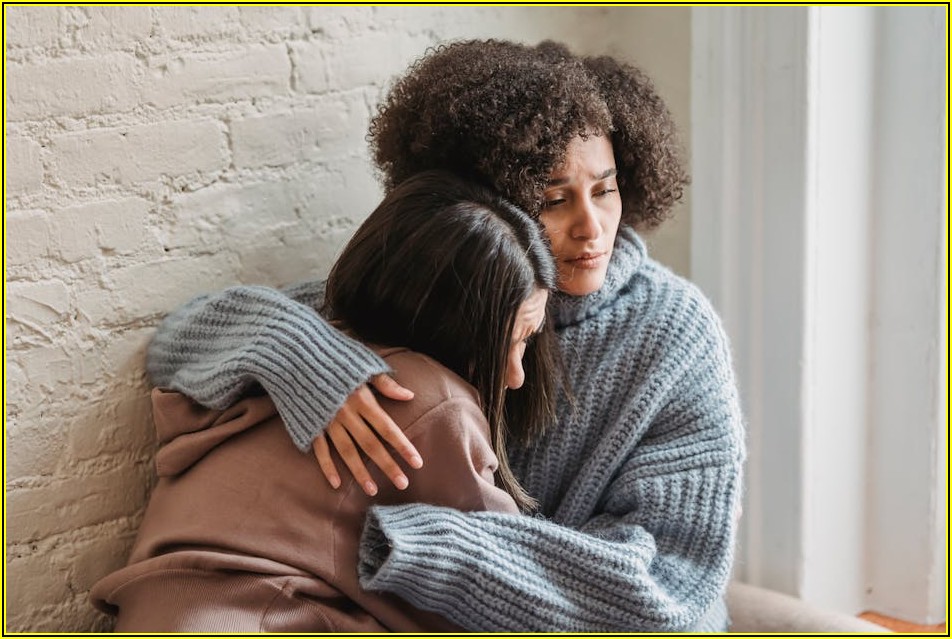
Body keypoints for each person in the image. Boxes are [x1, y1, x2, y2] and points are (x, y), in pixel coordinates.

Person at [145, 39, 745, 632]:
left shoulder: (676, 335)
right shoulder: (446, 286)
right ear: (487, 203)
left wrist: (433, 547)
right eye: (555, 199)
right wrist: (303, 360)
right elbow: (177, 343)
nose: (593, 227)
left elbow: (671, 587)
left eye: (605, 189)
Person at [89, 171, 559, 632]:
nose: (516, 376)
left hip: (160, 607)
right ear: (452, 324)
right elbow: (510, 585)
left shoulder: (320, 326)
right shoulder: (434, 400)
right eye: (512, 342)